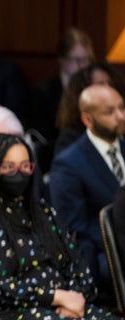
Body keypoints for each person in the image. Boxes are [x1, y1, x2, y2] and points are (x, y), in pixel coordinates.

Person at [0, 133, 119, 319]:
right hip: (9, 311)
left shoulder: (42, 211)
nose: (19, 174)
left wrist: (76, 296)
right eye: (9, 168)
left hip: (63, 304)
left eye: (25, 166)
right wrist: (56, 297)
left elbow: (74, 262)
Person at [50, 84, 125, 302]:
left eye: (122, 107)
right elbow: (75, 225)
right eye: (109, 112)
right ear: (87, 119)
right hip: (105, 251)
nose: (120, 116)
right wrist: (119, 239)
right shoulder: (69, 164)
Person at [28, 27, 94, 172]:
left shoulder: (95, 92)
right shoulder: (42, 93)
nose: (82, 66)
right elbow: (39, 141)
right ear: (62, 59)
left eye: (86, 60)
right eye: (76, 59)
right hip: (53, 162)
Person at [54, 62, 125, 156]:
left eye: (111, 84)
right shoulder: (70, 139)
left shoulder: (120, 130)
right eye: (101, 84)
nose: (109, 89)